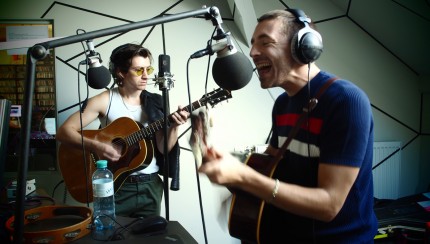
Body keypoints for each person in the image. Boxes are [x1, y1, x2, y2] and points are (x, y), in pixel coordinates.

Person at [197, 9, 377, 243]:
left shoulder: (345, 101)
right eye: (252, 44)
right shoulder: (282, 104)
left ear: (303, 47)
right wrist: (228, 166)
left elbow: (329, 205)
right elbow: (271, 167)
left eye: (265, 42)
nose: (252, 52)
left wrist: (244, 178)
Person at [56, 43, 189, 218]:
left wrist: (174, 127)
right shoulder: (105, 100)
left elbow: (163, 148)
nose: (145, 76)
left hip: (151, 186)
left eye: (148, 70)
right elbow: (63, 132)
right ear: (120, 72)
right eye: (138, 70)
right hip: (115, 186)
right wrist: (97, 146)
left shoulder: (157, 102)